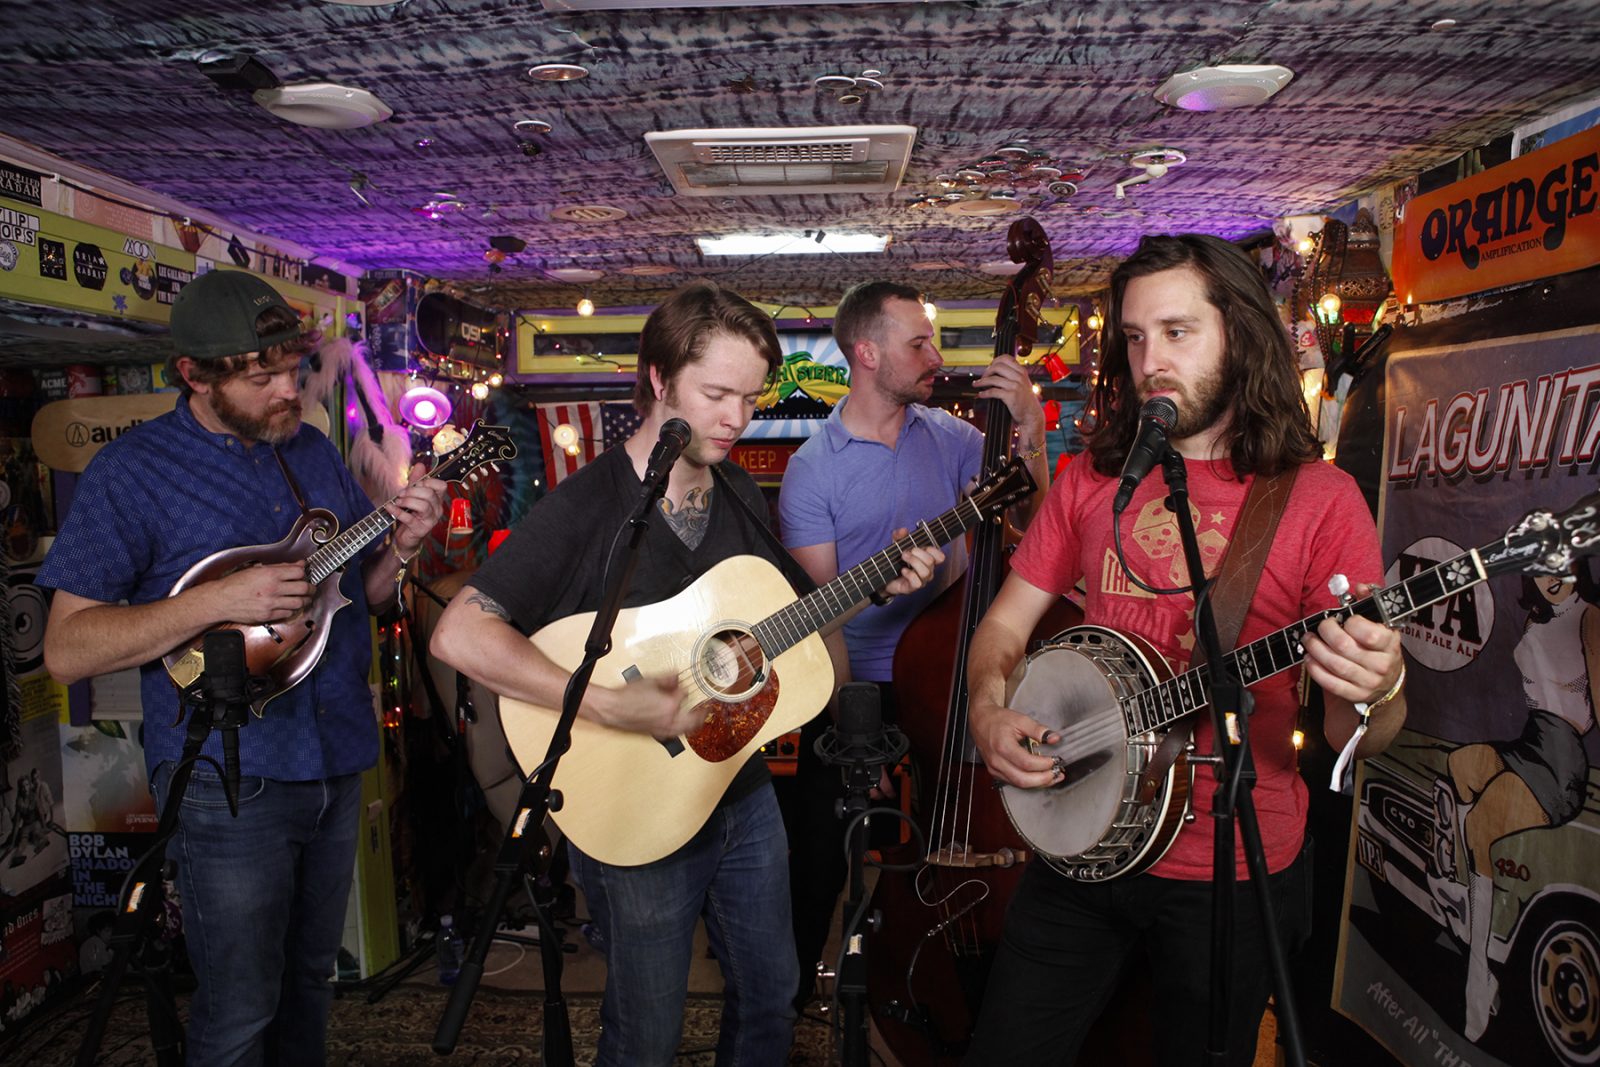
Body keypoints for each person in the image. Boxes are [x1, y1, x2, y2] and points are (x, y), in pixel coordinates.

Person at [429, 280, 939, 1067]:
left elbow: (779, 629)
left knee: (773, 993)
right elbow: (461, 632)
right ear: (659, 379)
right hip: (631, 804)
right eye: (717, 393)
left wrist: (874, 585)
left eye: (750, 395)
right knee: (646, 1031)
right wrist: (609, 703)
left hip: (737, 790)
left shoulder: (736, 487)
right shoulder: (588, 505)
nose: (737, 417)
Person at [962, 234, 1408, 1066]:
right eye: (1134, 338)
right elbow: (1001, 627)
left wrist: (1376, 687)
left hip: (1233, 871)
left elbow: (1363, 735)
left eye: (1176, 332)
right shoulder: (1092, 478)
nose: (1148, 361)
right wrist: (988, 709)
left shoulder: (1319, 499)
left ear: (1238, 333)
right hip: (1081, 839)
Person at [38, 269, 448, 1067]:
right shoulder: (134, 473)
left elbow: (352, 594)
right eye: (260, 378)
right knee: (239, 1009)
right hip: (233, 779)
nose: (285, 391)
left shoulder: (311, 449)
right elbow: (67, 646)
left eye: (292, 370)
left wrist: (400, 542)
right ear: (193, 374)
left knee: (308, 988)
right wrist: (215, 600)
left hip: (333, 758)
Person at [777, 279, 1050, 1002]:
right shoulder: (813, 470)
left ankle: (936, 976)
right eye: (918, 342)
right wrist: (849, 723)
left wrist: (1033, 425)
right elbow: (815, 617)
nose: (935, 355)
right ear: (867, 353)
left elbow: (1042, 519)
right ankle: (794, 995)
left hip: (949, 679)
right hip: (852, 687)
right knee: (820, 856)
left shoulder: (957, 438)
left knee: (946, 835)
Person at [1437, 563, 1599, 1040]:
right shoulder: (1537, 621)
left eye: (1563, 566)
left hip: (1561, 758)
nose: (1553, 576)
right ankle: (1470, 898)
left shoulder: (1590, 617)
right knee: (1461, 766)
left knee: (1482, 825)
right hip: (1532, 740)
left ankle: (1477, 980)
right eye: (1543, 567)